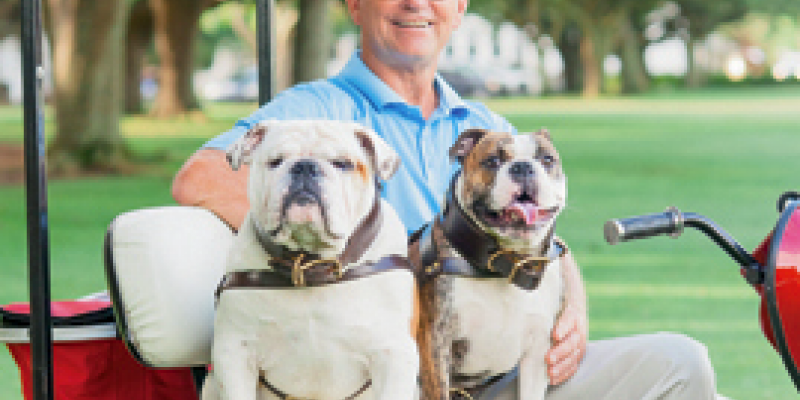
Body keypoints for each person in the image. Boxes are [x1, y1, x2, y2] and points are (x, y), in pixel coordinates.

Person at [172, 0, 729, 399]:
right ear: (354, 5)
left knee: (682, 364)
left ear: (459, 9)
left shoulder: (488, 128)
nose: (416, 4)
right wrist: (331, 245)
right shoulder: (316, 111)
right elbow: (199, 178)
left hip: (511, 374)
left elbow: (544, 234)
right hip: (382, 377)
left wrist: (574, 304)